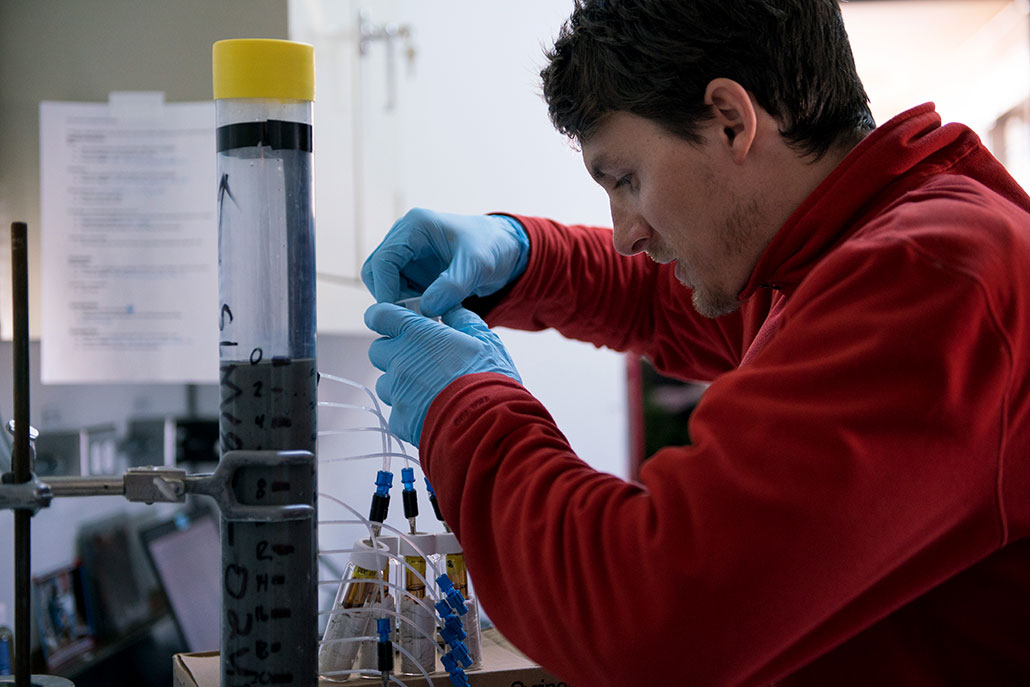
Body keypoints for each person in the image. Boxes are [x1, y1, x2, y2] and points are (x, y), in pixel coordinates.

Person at [361, 1, 1030, 684]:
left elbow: (642, 616)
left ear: (731, 120)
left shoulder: (929, 277)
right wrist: (527, 255)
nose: (626, 232)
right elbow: (667, 300)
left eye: (627, 179)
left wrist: (467, 408)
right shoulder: (825, 249)